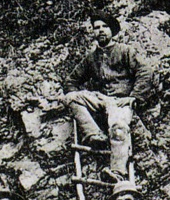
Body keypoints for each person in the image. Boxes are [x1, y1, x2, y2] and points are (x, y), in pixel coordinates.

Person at [60, 10, 155, 180]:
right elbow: (71, 80)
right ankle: (94, 134)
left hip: (119, 102)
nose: (101, 30)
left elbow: (145, 71)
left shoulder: (125, 51)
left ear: (112, 30)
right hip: (100, 99)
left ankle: (117, 171)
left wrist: (134, 97)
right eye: (97, 28)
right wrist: (87, 101)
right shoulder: (91, 57)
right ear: (93, 32)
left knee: (119, 128)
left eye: (105, 27)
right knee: (71, 97)